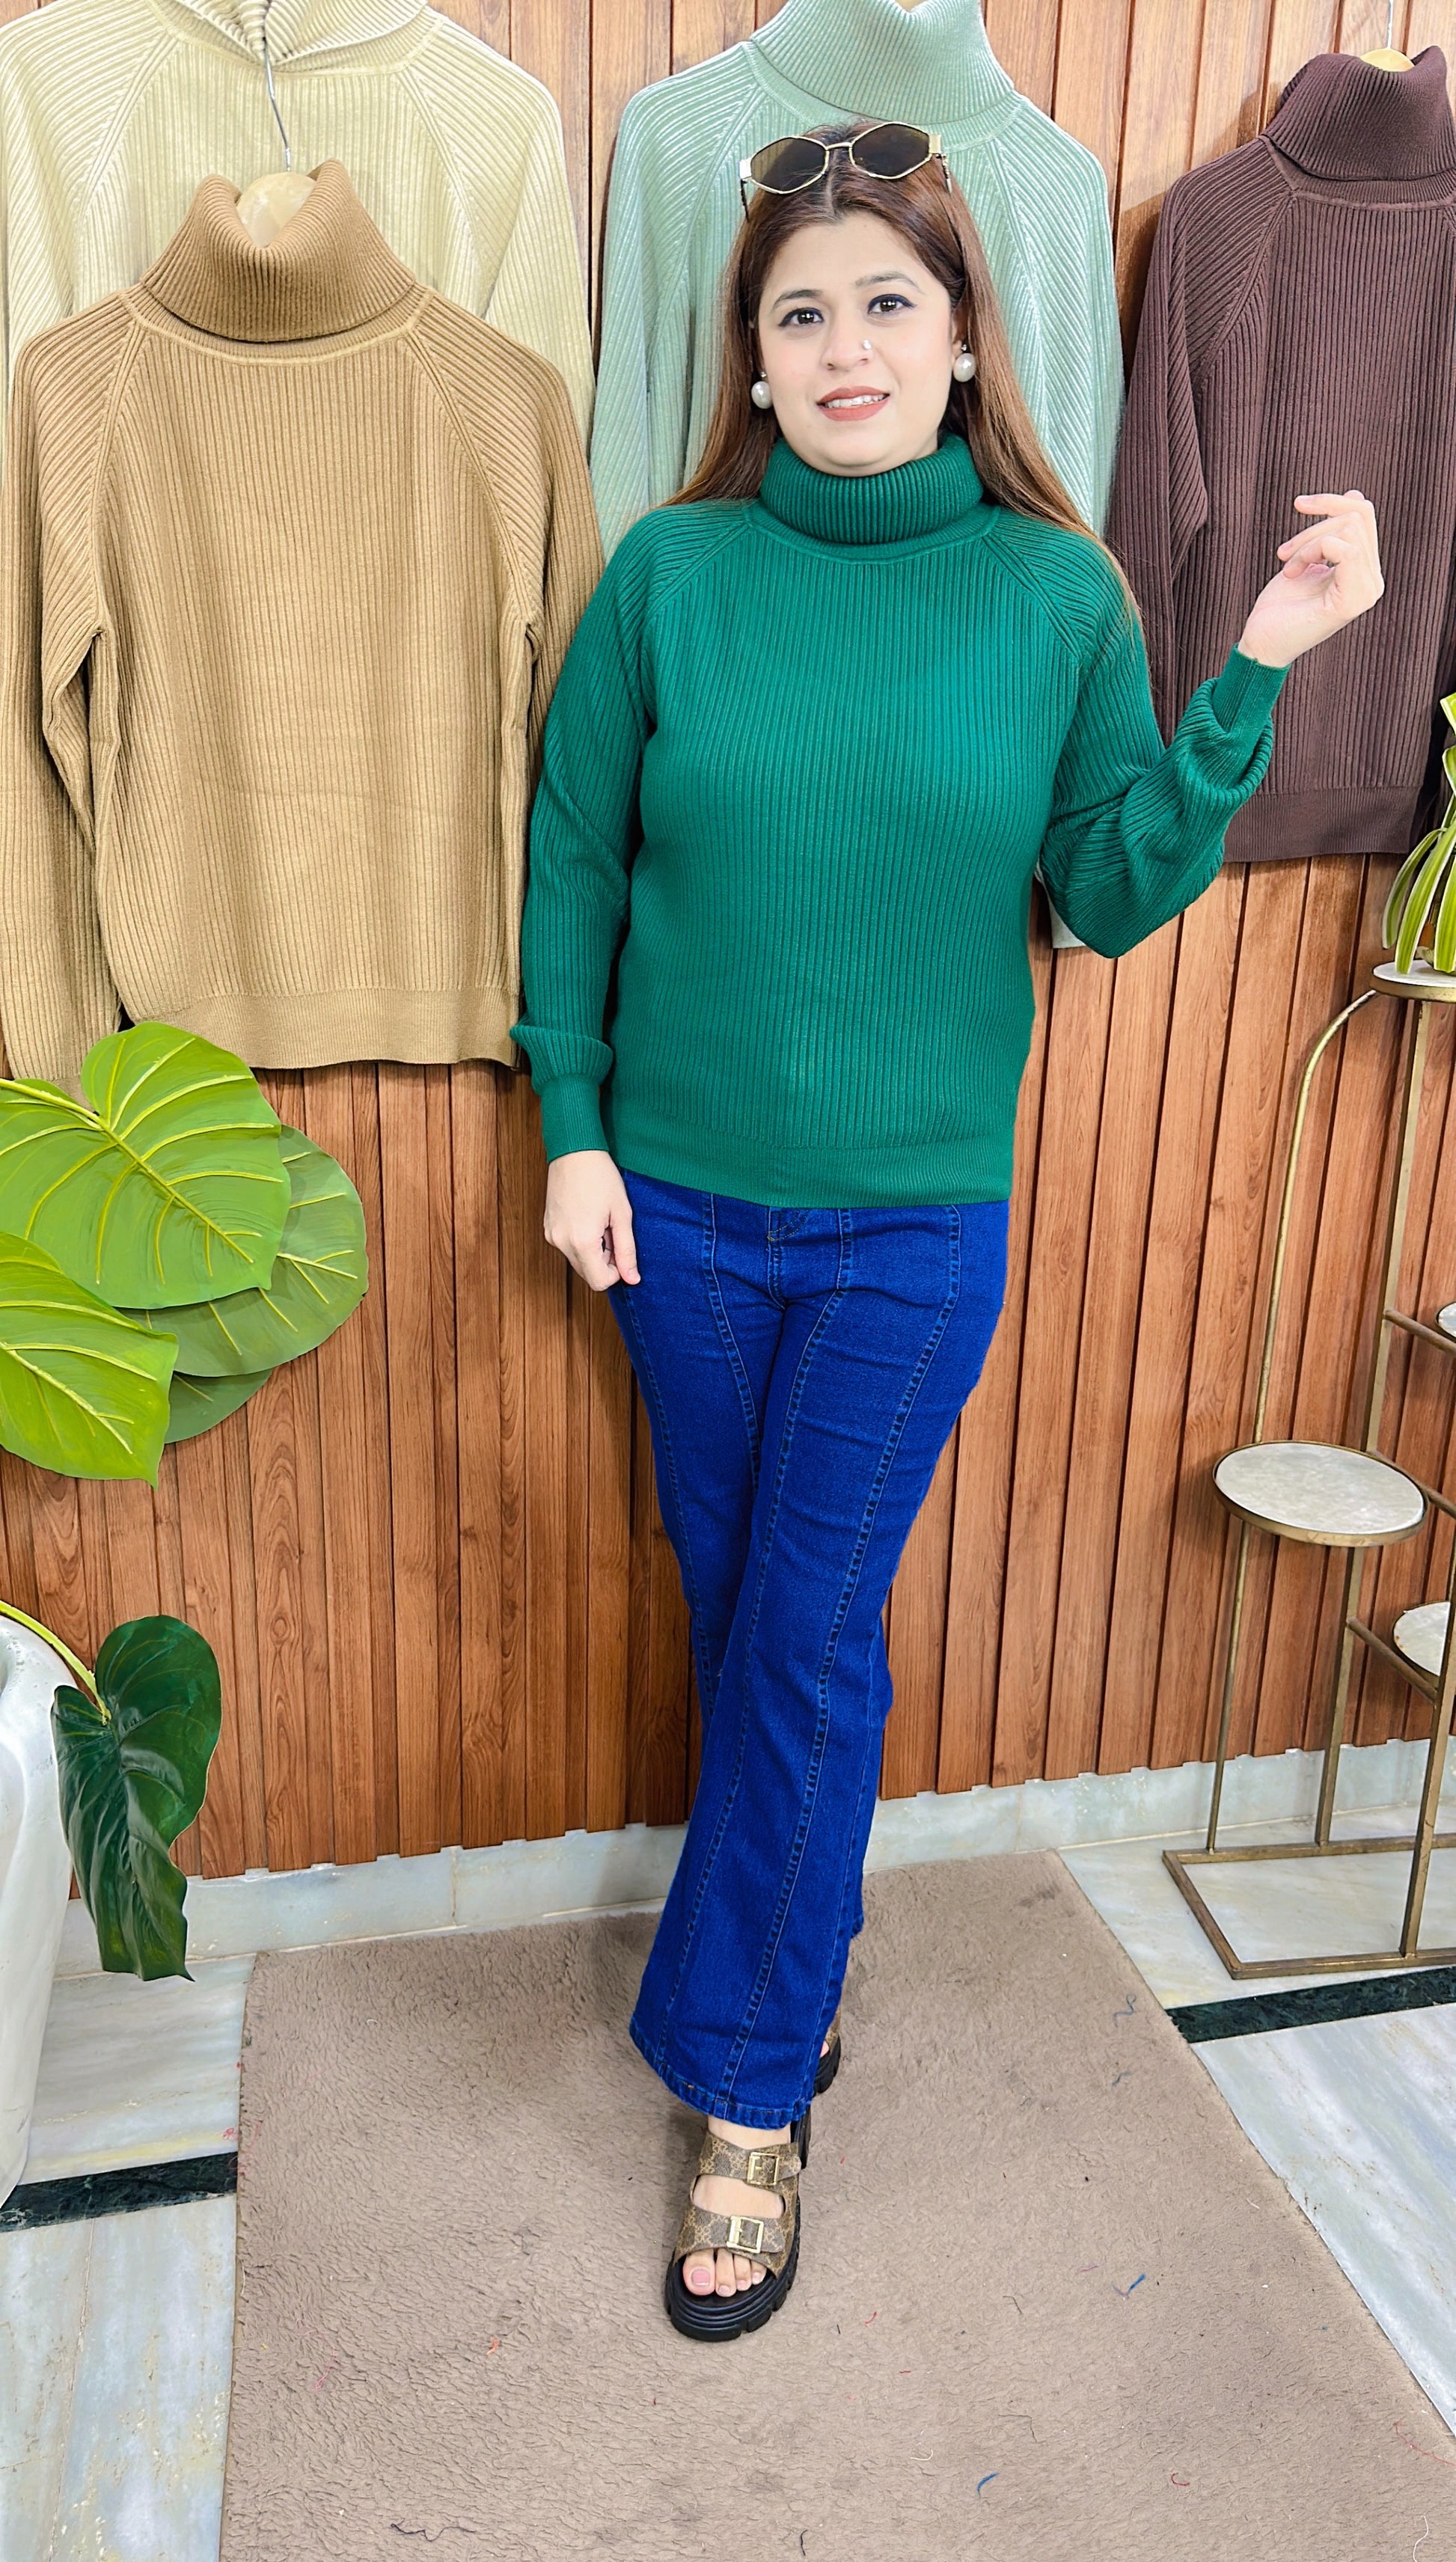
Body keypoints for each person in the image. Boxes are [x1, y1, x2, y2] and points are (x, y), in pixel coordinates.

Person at [513, 120, 1383, 2341]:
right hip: (678, 1218)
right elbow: (577, 858)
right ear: (751, 357)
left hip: (910, 1232)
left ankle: (745, 2092)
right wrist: (574, 1130)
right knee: (760, 1621)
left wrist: (1258, 662)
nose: (845, 346)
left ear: (967, 334)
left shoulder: (1053, 595)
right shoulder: (669, 577)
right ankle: (801, 1949)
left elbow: (1109, 889)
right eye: (797, 311)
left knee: (802, 1631)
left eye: (886, 302)